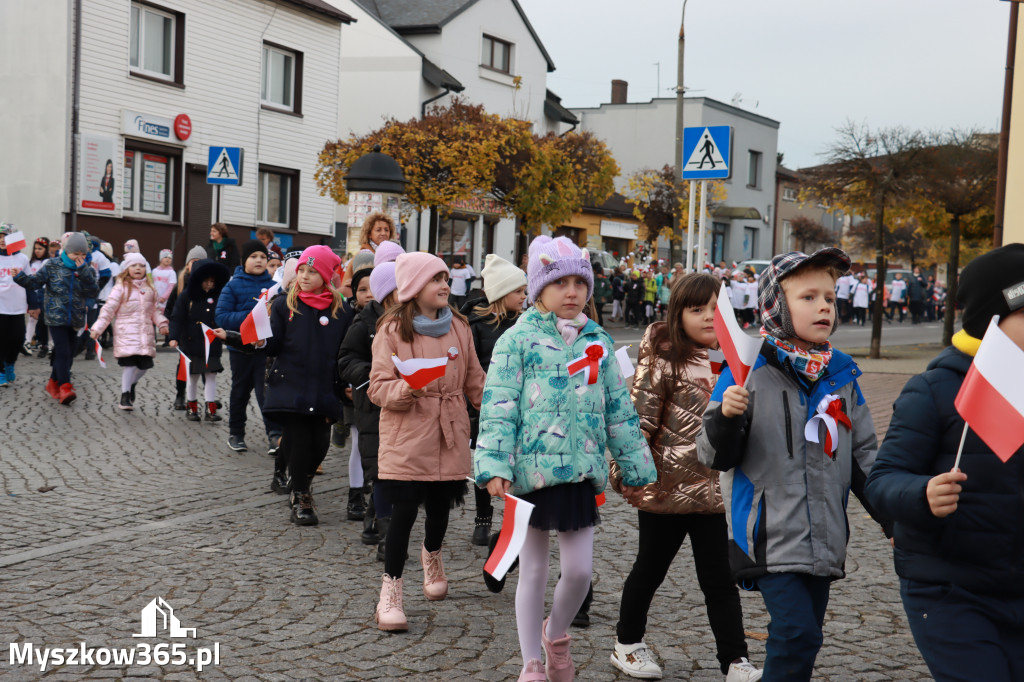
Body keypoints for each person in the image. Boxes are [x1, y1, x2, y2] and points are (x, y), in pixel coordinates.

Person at [697, 248, 890, 681]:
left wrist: (893, 519)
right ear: (776, 306)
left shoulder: (841, 373)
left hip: (824, 537)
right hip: (769, 535)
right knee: (796, 633)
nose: (824, 306)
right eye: (808, 297)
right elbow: (712, 456)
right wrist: (727, 416)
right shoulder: (747, 367)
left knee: (807, 639)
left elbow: (863, 458)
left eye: (830, 297)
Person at [474, 236, 657, 682]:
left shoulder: (597, 339)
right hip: (529, 474)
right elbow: (499, 404)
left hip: (579, 472)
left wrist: (635, 468)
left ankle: (555, 636)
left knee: (579, 572)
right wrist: (493, 464)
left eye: (580, 282)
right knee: (533, 570)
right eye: (560, 283)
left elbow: (618, 408)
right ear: (538, 289)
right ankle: (531, 663)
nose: (571, 292)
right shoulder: (516, 341)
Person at [864, 244, 1024, 682]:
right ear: (993, 320)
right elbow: (882, 481)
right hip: (950, 591)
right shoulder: (933, 389)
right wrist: (923, 493)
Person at [608, 272, 761, 682]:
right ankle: (627, 644)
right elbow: (637, 420)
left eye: (716, 307)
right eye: (697, 309)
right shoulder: (663, 357)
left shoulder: (738, 361)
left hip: (715, 492)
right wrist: (625, 470)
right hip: (666, 489)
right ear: (679, 314)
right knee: (649, 569)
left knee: (719, 580)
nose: (708, 316)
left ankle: (735, 660)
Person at [368, 252, 486, 632]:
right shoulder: (391, 329)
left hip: (450, 429)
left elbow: (476, 381)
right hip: (408, 432)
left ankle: (432, 555)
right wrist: (407, 389)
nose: (444, 286)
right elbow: (377, 387)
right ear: (415, 287)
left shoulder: (460, 327)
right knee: (403, 512)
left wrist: (503, 412)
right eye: (436, 279)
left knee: (440, 506)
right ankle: (391, 592)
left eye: (446, 278)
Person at [260, 246, 348, 526]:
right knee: (299, 441)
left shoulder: (341, 309)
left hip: (324, 386)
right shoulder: (286, 303)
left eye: (312, 271)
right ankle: (301, 495)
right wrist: (259, 336)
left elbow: (346, 351)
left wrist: (345, 382)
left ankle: (302, 481)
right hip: (291, 384)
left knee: (320, 443)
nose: (305, 276)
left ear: (325, 276)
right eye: (302, 271)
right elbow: (272, 345)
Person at [338, 246, 405, 556]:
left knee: (399, 473)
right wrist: (370, 374)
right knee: (380, 471)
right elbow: (346, 358)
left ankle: (377, 520)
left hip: (405, 405)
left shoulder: (413, 321)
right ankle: (387, 535)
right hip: (373, 407)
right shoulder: (364, 322)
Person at [464, 254, 527, 546]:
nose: (525, 296)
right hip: (486, 406)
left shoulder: (526, 325)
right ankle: (483, 518)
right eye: (519, 291)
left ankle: (515, 522)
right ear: (502, 293)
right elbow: (470, 366)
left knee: (518, 464)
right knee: (485, 460)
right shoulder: (476, 325)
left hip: (522, 405)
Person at [14, 232, 98, 404]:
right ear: (67, 251)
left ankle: (53, 382)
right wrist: (19, 276)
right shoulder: (53, 265)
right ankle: (65, 387)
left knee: (69, 353)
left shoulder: (86, 269)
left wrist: (84, 272)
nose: (79, 258)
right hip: (55, 316)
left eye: (83, 255)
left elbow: (93, 292)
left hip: (75, 317)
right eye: (76, 254)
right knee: (63, 351)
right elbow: (35, 282)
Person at [215, 240, 281, 454]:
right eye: (254, 257)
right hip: (241, 351)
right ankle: (236, 433)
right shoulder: (233, 285)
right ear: (244, 261)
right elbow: (222, 316)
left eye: (263, 257)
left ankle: (274, 435)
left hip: (265, 352)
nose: (259, 260)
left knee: (267, 394)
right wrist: (252, 317)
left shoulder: (274, 287)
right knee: (240, 393)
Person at [89, 253, 169, 410]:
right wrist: (98, 328)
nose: (138, 268)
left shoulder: (150, 289)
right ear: (127, 269)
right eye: (134, 265)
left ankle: (131, 384)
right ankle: (125, 395)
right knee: (131, 365)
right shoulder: (120, 289)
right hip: (127, 334)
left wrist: (162, 323)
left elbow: (155, 311)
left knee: (144, 366)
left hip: (145, 334)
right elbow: (108, 310)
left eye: (141, 266)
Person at [168, 259, 231, 422]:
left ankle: (210, 409)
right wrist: (173, 337)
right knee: (193, 377)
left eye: (212, 281)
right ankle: (192, 407)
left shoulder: (218, 297)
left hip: (212, 344)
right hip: (190, 344)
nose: (210, 284)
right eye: (206, 281)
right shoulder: (186, 297)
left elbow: (222, 317)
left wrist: (224, 331)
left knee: (211, 376)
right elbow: (177, 317)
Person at [165, 245, 209, 410]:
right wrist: (173, 328)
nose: (196, 265)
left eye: (200, 261)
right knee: (184, 365)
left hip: (204, 331)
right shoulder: (181, 284)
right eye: (193, 261)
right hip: (186, 331)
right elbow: (171, 309)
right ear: (187, 264)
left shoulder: (210, 284)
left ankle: (208, 397)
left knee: (208, 364)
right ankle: (180, 395)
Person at [0, 225, 30, 386]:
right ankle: (1, 372)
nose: (2, 240)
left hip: (18, 307)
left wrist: (34, 305)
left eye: (5, 237)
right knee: (1, 340)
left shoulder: (22, 259)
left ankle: (10, 362)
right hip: (1, 307)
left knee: (18, 339)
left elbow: (30, 283)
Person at [343, 211, 396, 297]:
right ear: (369, 234)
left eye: (387, 230)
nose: (383, 233)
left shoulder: (386, 253)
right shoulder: (365, 255)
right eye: (378, 230)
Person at [23, 237, 50, 357]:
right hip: (33, 292)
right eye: (35, 248)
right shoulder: (31, 263)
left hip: (44, 293)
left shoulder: (48, 262)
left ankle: (50, 343)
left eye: (40, 248)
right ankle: (27, 342)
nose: (37, 251)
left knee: (46, 320)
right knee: (32, 318)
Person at [591, 263, 610, 327]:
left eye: (600, 274)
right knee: (595, 312)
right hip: (596, 299)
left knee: (599, 312)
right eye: (598, 274)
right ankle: (596, 323)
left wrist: (604, 296)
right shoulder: (595, 280)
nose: (599, 275)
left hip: (601, 299)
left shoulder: (605, 281)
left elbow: (609, 290)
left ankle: (600, 324)